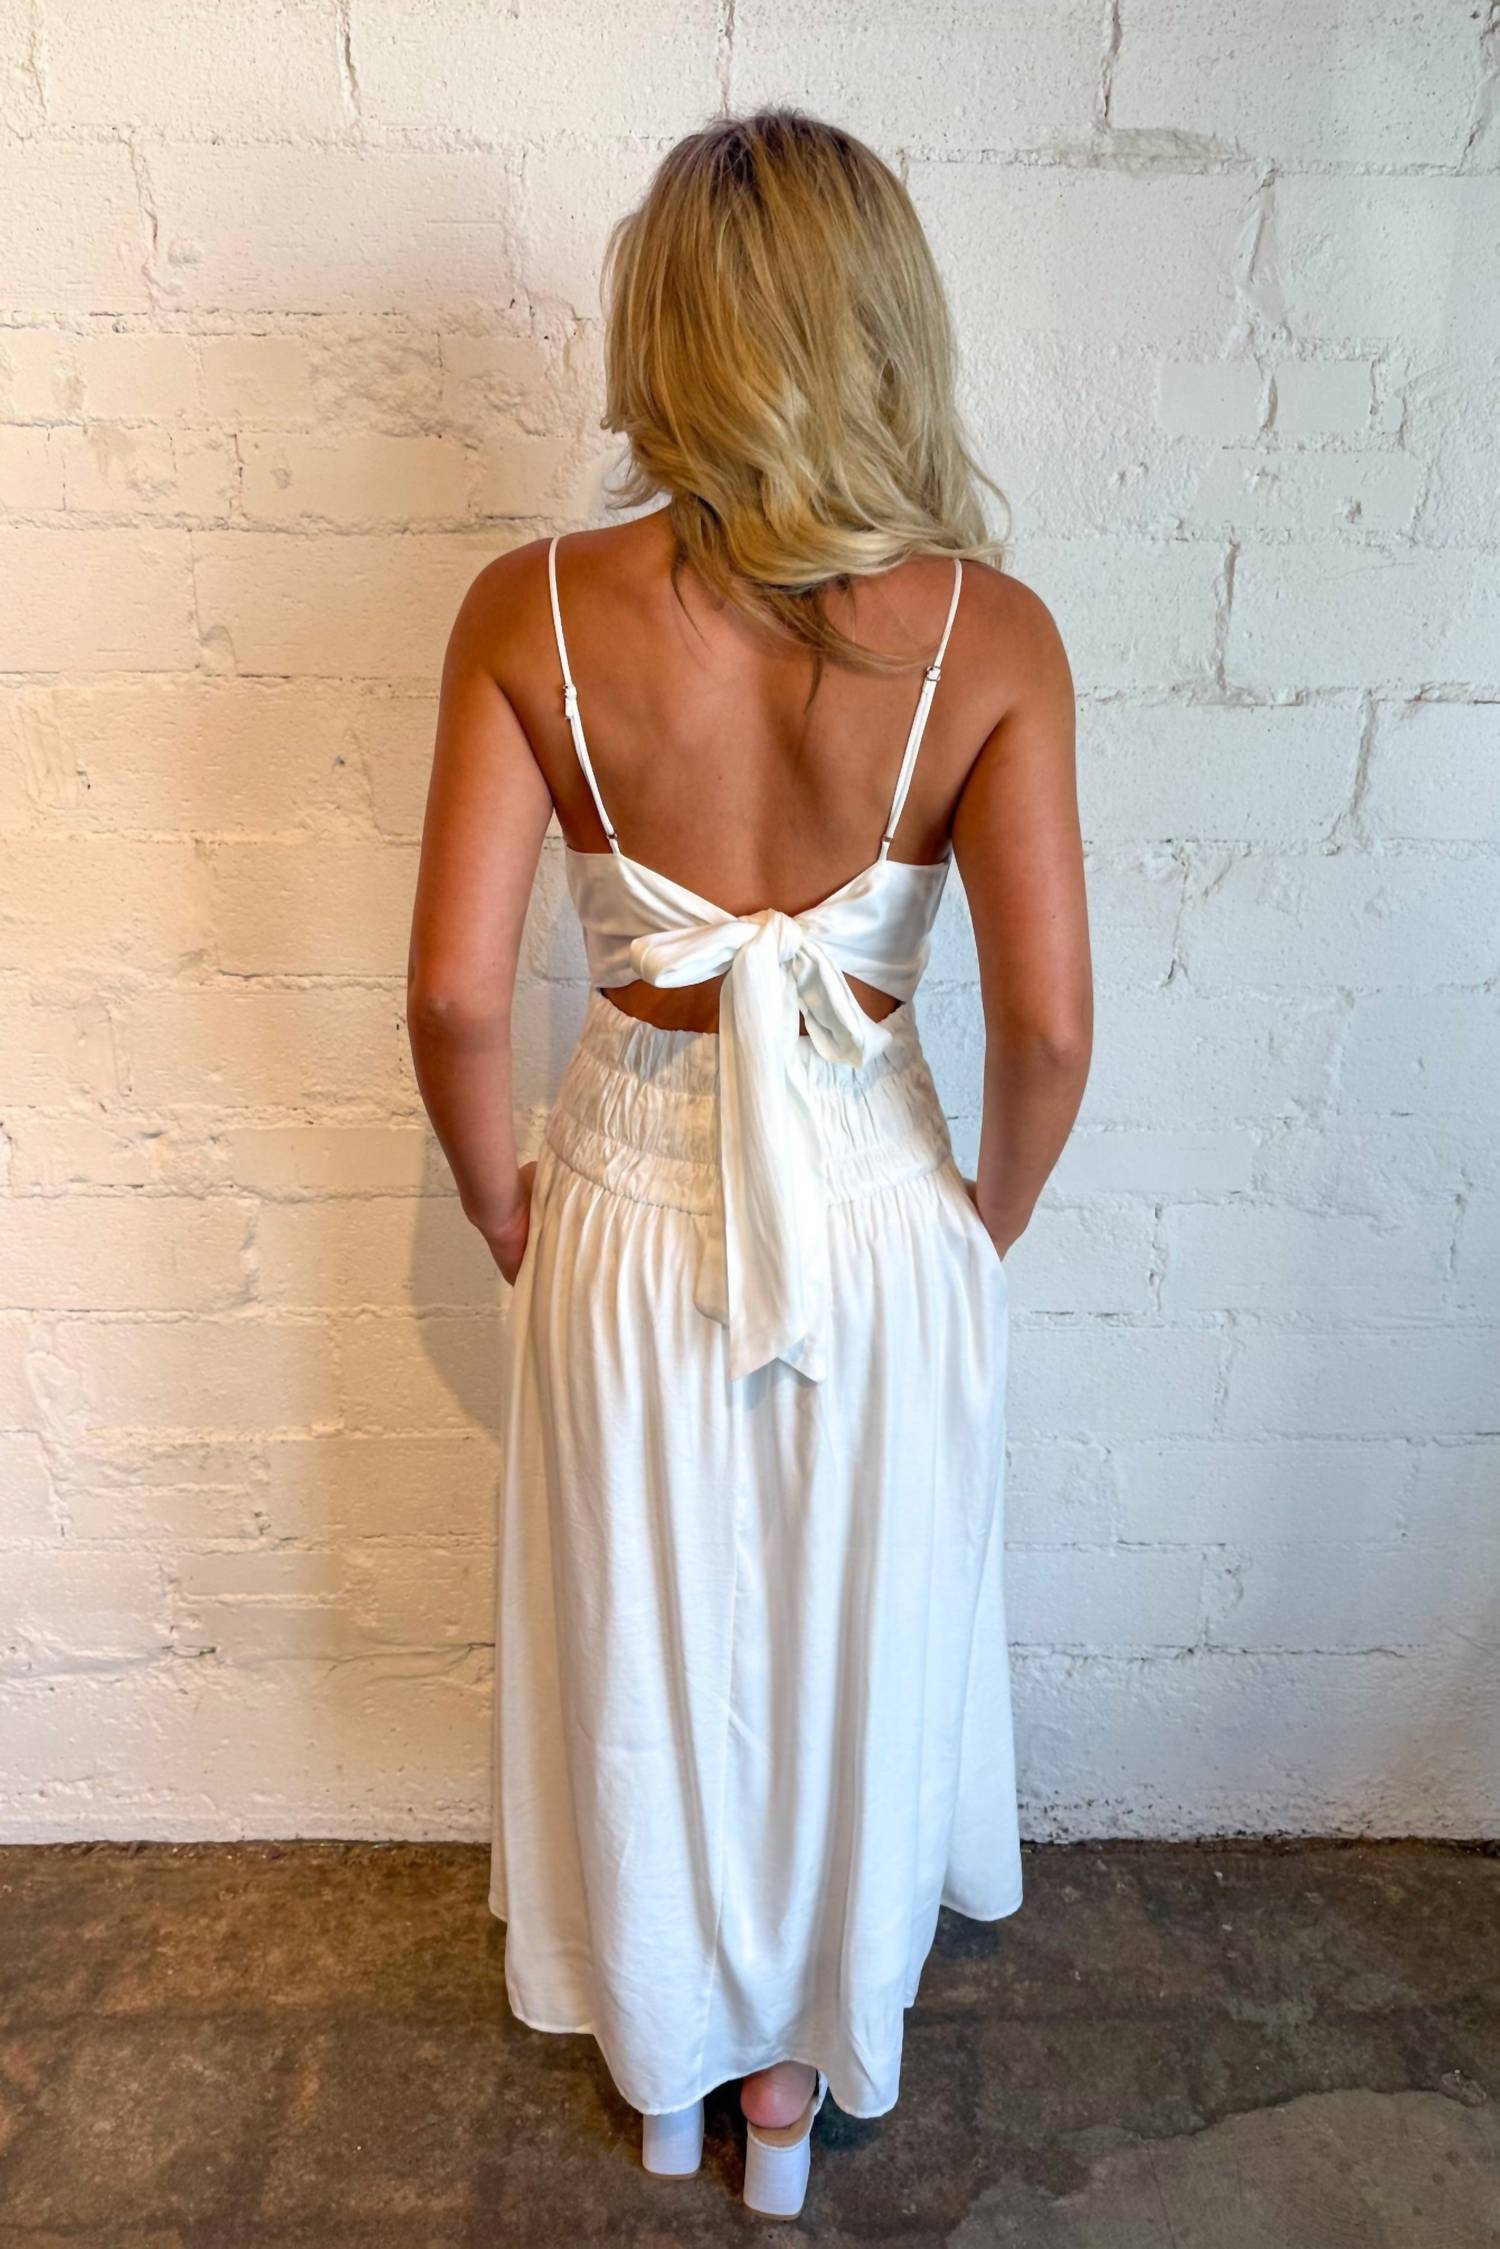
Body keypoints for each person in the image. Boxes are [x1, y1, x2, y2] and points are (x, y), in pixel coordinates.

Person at [407, 106, 1090, 2219]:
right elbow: (1053, 1029)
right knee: (845, 1637)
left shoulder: (528, 610)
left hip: (625, 1190)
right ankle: (793, 2086)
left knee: (649, 1632)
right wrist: (979, 1222)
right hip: (874, 1204)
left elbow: (452, 998)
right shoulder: (990, 636)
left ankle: (669, 2068)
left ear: (666, 333)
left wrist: (504, 1200)